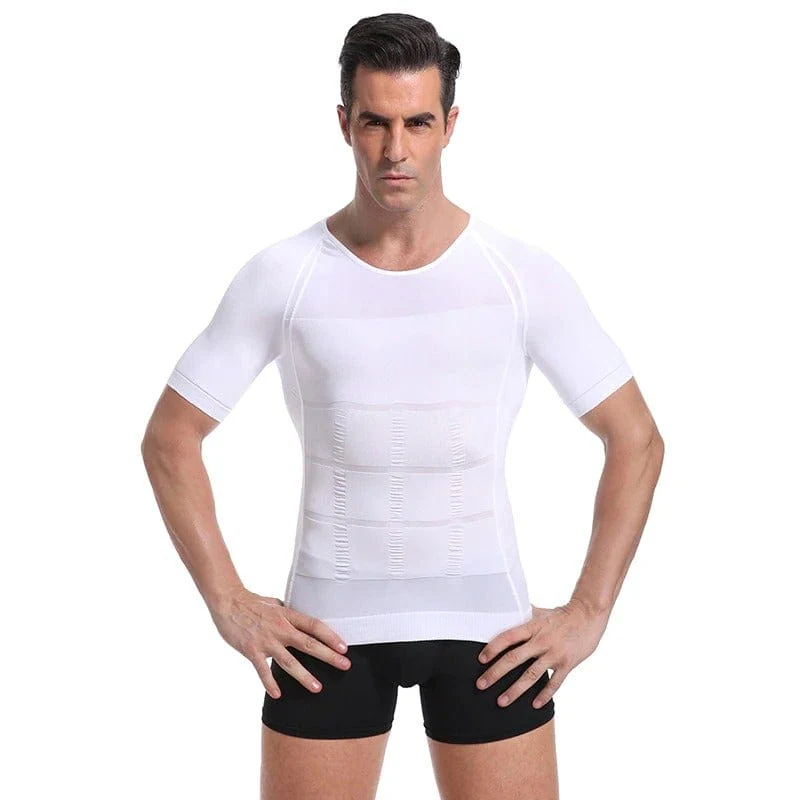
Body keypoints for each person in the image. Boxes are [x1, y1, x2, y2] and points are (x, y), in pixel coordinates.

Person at [141, 12, 664, 800]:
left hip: (489, 632)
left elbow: (636, 439)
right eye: (375, 123)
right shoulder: (285, 275)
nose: (395, 149)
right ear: (343, 123)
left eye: (417, 123)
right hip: (328, 635)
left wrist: (590, 610)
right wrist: (229, 603)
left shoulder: (519, 276)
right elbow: (170, 437)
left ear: (449, 125)